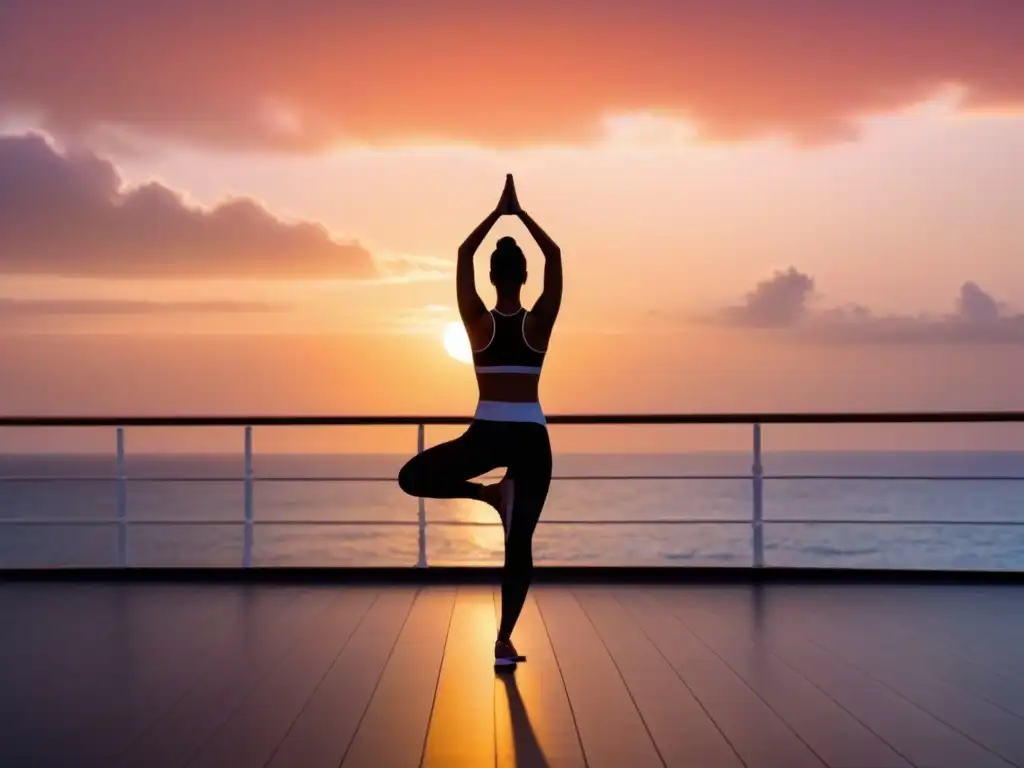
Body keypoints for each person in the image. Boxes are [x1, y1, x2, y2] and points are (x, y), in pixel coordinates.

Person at [398, 174, 562, 671]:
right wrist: (521, 213)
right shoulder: (538, 324)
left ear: (493, 277)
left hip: (488, 433)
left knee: (413, 477)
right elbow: (555, 257)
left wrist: (496, 214)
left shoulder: (477, 323)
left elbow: (462, 255)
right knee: (520, 547)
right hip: (531, 438)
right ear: (524, 278)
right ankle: (504, 642)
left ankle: (488, 495)